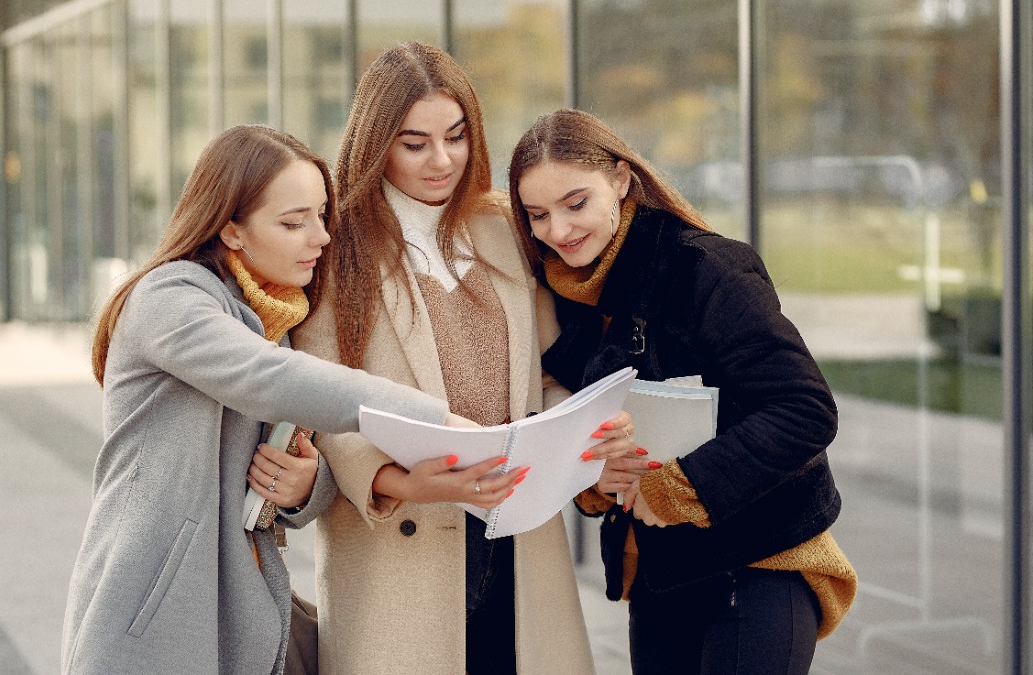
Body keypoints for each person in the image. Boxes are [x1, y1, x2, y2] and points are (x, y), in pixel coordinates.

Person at [60, 125, 485, 675]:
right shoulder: (169, 299)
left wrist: (307, 486)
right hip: (153, 614)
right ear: (231, 230)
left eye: (321, 215)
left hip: (240, 603)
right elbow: (270, 378)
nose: (322, 237)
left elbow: (275, 468)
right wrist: (441, 421)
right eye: (293, 222)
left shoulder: (275, 317)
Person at [291, 43, 631, 674]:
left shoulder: (506, 229)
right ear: (375, 143)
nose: (442, 160)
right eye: (414, 143)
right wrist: (402, 482)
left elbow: (547, 374)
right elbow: (318, 396)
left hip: (518, 533)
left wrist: (583, 435)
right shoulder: (336, 249)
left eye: (456, 136)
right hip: (400, 544)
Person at [507, 108, 858, 675]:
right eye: (538, 215)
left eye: (576, 204)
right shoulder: (568, 298)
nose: (559, 230)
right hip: (659, 573)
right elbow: (587, 421)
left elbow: (806, 410)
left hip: (760, 564)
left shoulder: (707, 269)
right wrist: (596, 475)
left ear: (621, 180)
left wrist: (679, 485)